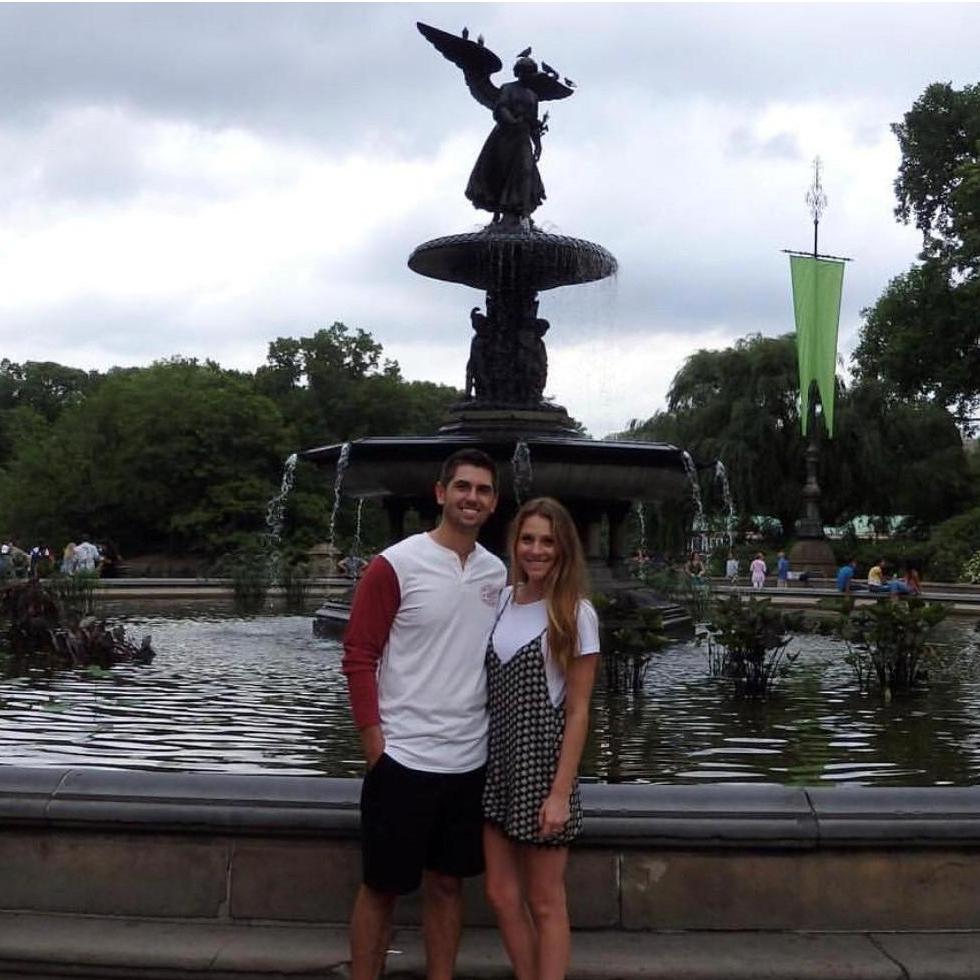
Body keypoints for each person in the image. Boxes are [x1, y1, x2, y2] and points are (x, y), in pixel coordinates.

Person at [341, 449, 507, 980]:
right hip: (403, 757)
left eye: (483, 490)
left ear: (494, 502)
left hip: (467, 759)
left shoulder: (495, 571)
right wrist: (374, 744)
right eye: (463, 486)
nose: (472, 498)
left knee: (448, 884)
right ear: (441, 493)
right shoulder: (395, 564)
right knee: (381, 888)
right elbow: (359, 654)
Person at [482, 497, 600, 980]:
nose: (536, 550)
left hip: (542, 764)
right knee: (500, 894)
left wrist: (559, 794)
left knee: (545, 900)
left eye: (547, 541)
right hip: (497, 762)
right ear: (515, 544)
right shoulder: (504, 600)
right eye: (527, 539)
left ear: (564, 548)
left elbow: (578, 710)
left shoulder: (574, 612)